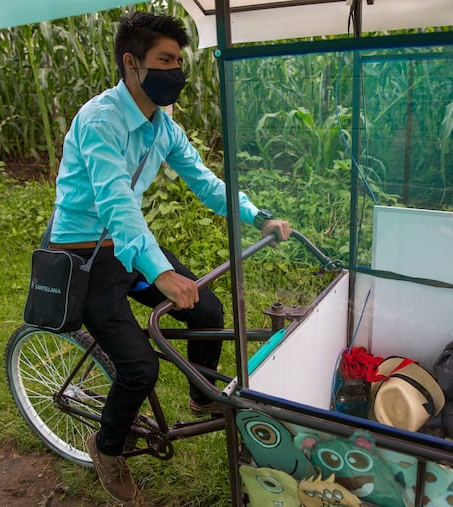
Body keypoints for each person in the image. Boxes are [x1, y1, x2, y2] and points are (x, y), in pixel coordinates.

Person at [49, 11, 291, 504]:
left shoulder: (161, 125)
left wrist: (256, 215)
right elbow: (116, 202)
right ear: (131, 63)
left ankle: (202, 394)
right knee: (139, 368)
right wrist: (158, 272)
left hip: (127, 246)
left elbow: (205, 181)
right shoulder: (100, 121)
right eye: (165, 60)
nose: (176, 71)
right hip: (85, 256)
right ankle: (107, 448)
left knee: (207, 308)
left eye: (179, 61)